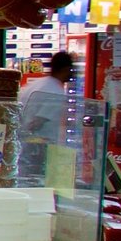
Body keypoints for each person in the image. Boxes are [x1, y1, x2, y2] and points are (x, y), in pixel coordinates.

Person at [15, 51, 76, 185]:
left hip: (22, 147)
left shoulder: (37, 84)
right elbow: (37, 122)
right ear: (66, 69)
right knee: (37, 184)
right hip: (37, 151)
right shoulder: (56, 92)